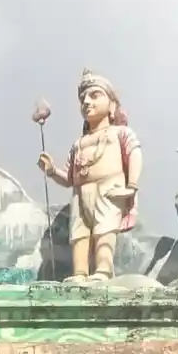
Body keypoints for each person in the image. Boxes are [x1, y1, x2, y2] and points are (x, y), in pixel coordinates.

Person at [39, 69, 141, 278]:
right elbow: (69, 178)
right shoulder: (79, 143)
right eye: (83, 98)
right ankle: (80, 273)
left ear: (112, 105)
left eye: (94, 95)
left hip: (109, 189)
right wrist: (51, 171)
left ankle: (103, 270)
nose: (86, 102)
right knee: (80, 235)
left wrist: (130, 187)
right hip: (80, 193)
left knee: (104, 232)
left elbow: (134, 155)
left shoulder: (120, 133)